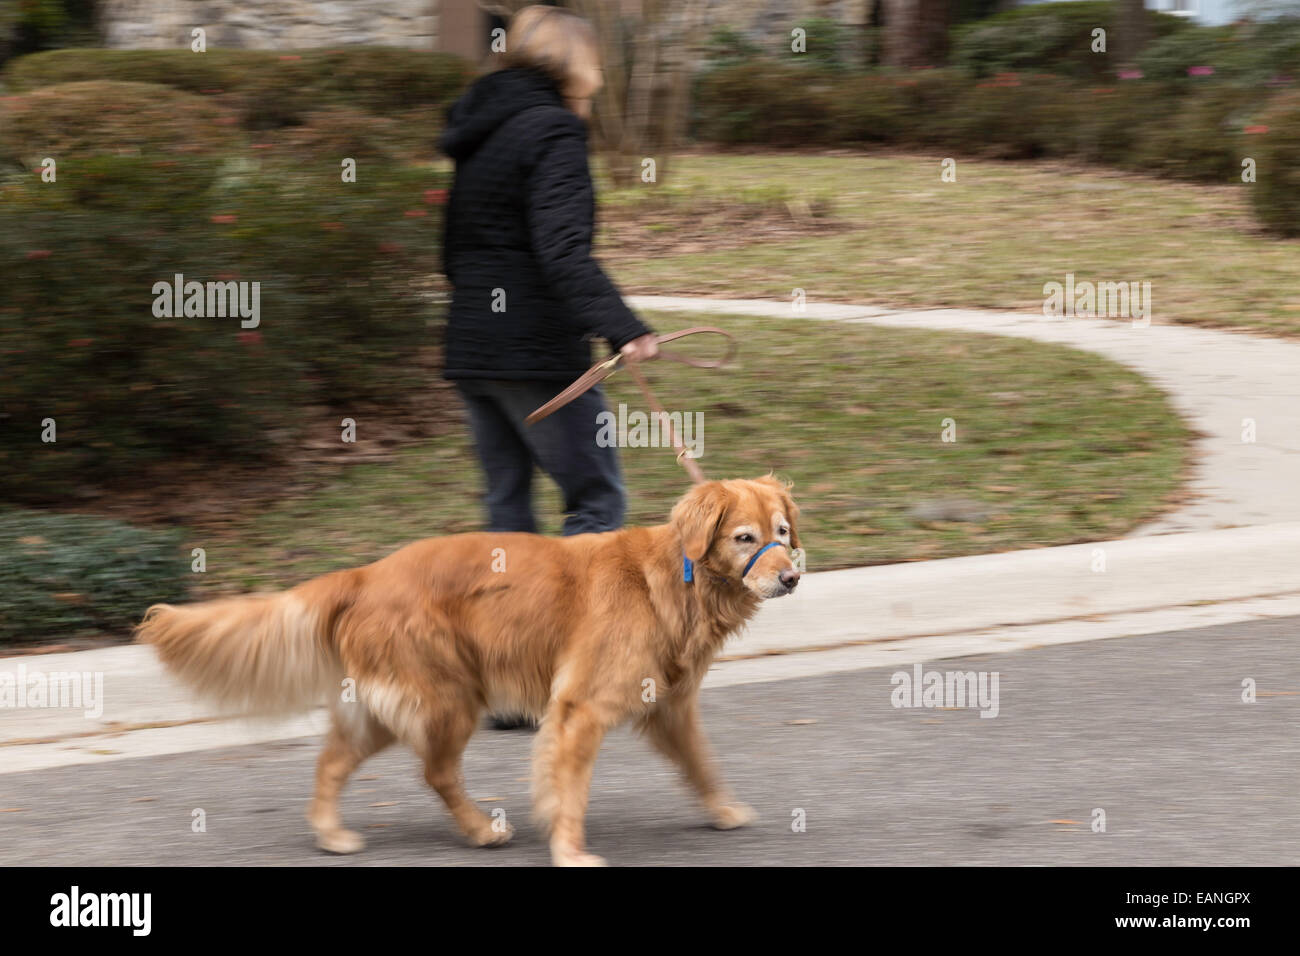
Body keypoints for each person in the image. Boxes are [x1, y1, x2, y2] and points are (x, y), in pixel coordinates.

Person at [438, 5, 657, 728]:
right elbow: (563, 251)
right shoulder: (554, 130)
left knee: (507, 518)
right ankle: (561, 671)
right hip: (537, 355)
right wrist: (625, 328)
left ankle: (507, 688)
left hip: (474, 351)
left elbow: (452, 254)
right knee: (596, 504)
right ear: (576, 64)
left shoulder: (480, 128)